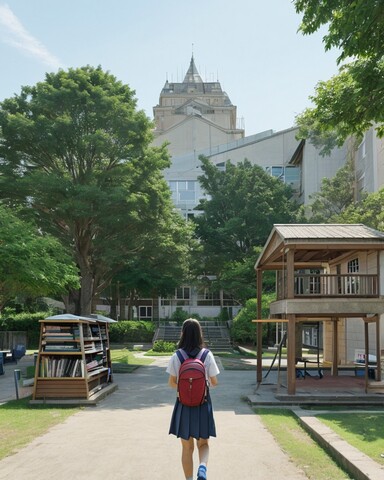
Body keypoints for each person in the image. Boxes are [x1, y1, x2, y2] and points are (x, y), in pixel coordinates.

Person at [167, 318, 220, 480]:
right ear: (199, 334)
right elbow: (214, 382)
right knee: (203, 444)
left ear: (182, 333)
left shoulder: (177, 356)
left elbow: (171, 383)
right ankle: (202, 467)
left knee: (186, 448)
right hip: (203, 404)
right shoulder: (207, 355)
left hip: (183, 405)